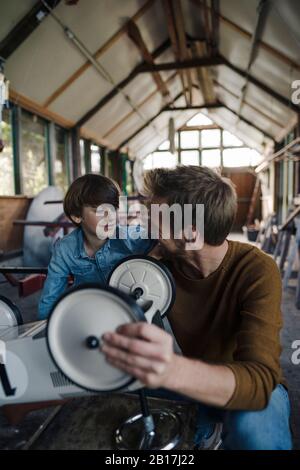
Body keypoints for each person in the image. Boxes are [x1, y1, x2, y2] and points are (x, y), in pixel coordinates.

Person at [101, 165, 292, 450]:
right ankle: (202, 430)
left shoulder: (257, 269)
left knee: (255, 428)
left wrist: (172, 370)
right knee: (115, 413)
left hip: (246, 383)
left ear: (190, 233)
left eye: (155, 218)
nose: (146, 224)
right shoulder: (153, 266)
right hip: (187, 380)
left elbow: (260, 378)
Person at [38, 174, 155, 319]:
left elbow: (163, 240)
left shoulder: (132, 238)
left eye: (113, 208)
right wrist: (45, 330)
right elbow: (51, 297)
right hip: (90, 315)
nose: (110, 217)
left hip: (131, 314)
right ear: (77, 216)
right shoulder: (64, 249)